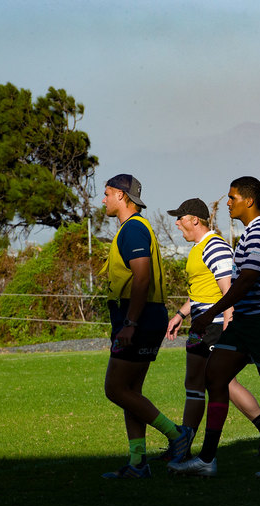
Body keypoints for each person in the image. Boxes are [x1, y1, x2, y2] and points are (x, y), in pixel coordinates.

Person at [168, 176, 260, 478]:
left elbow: (247, 280)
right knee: (215, 377)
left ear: (248, 201)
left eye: (232, 198)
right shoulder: (248, 233)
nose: (227, 203)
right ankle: (206, 460)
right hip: (245, 322)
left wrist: (210, 313)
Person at [99, 174, 188, 478]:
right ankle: (138, 463)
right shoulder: (135, 228)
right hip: (146, 316)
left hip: (138, 317)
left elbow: (142, 278)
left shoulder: (133, 229)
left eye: (107, 193)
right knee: (131, 391)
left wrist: (130, 323)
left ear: (122, 196)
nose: (104, 199)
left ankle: (177, 434)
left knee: (115, 388)